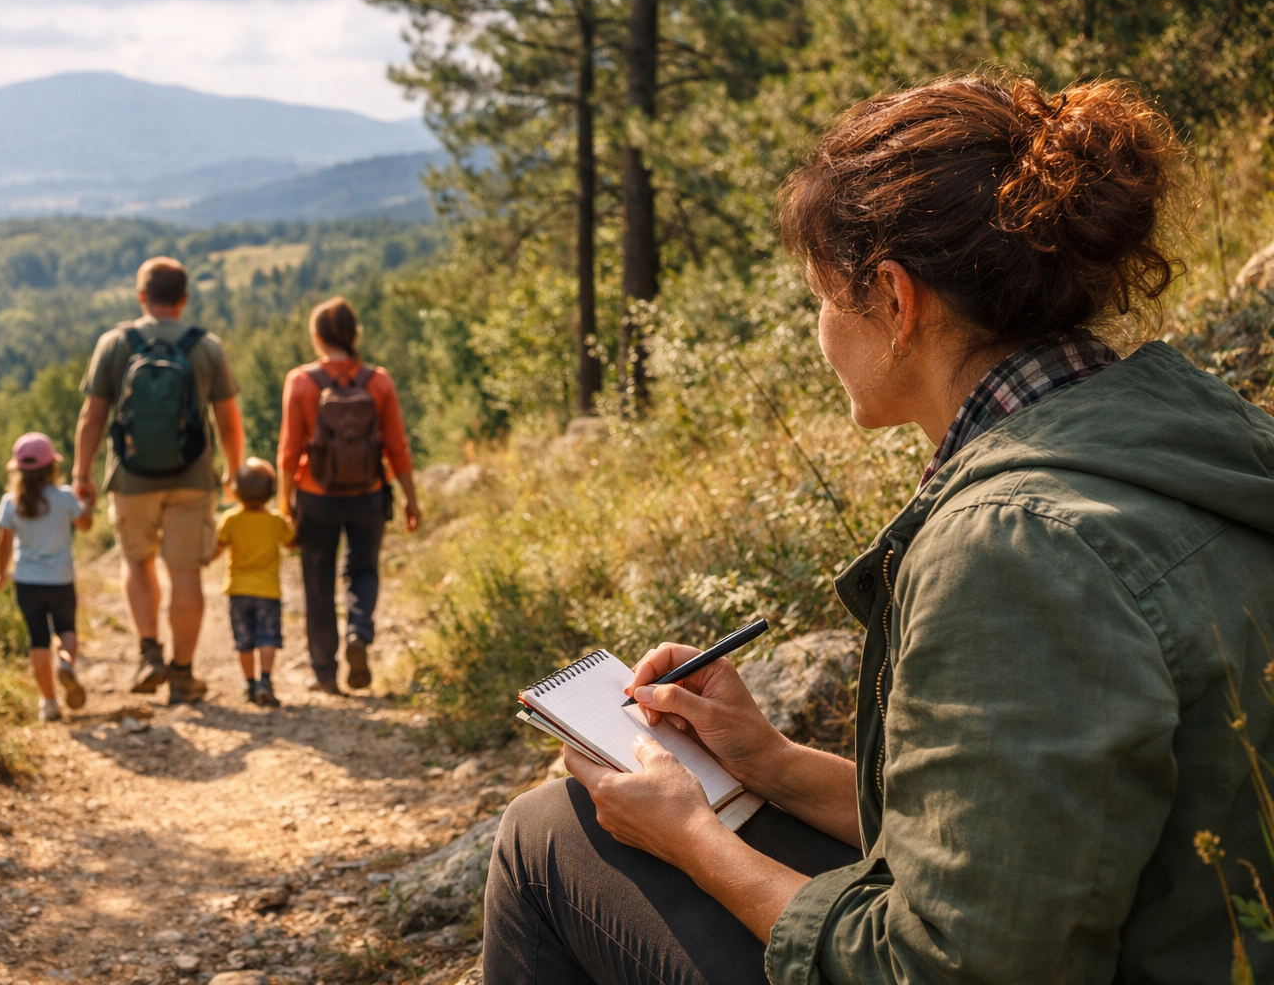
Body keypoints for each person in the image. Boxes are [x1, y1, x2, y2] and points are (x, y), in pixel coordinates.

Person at [484, 76, 1274, 984]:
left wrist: (694, 836)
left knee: (548, 838)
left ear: (896, 303)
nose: (821, 329)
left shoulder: (1014, 550)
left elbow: (948, 967)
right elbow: (1030, 845)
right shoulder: (1190, 444)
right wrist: (772, 764)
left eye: (823, 296)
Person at [72, 256, 246, 705]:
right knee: (185, 571)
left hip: (131, 477)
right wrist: (234, 471)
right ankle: (184, 674)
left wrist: (81, 473)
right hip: (192, 476)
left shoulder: (115, 343)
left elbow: (93, 415)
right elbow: (227, 419)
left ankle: (149, 653)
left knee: (138, 563)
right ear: (184, 299)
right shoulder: (206, 346)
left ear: (141, 297)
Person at [278, 296, 421, 695]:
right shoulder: (378, 381)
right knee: (363, 571)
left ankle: (325, 673)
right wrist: (410, 499)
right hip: (369, 493)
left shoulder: (302, 381)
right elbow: (397, 446)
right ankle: (359, 632)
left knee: (318, 581)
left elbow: (289, 451)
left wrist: (283, 502)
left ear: (318, 338)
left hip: (314, 494)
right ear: (354, 334)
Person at [0, 432, 94, 722]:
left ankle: (49, 703)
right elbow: (86, 525)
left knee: (37, 639)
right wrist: (86, 502)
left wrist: (1, 573)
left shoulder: (10, 502)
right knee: (66, 631)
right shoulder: (64, 497)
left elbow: (4, 543)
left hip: (26, 580)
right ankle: (66, 663)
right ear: (52, 467)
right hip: (61, 578)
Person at [215, 457, 296, 707]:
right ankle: (265, 680)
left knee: (244, 639)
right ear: (271, 492)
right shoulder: (276, 521)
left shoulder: (230, 519)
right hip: (268, 592)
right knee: (268, 637)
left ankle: (249, 684)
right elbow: (291, 543)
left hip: (238, 590)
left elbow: (216, 549)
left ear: (236, 491)